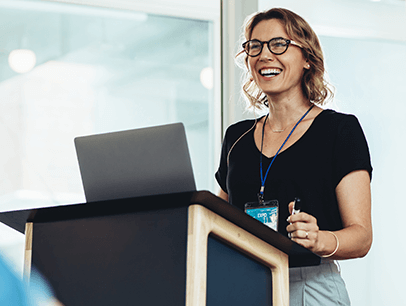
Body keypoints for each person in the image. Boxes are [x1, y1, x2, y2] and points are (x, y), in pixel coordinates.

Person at [215, 7, 372, 306]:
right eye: (254, 46)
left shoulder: (340, 131)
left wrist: (319, 240)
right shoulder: (237, 138)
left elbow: (362, 237)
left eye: (279, 44)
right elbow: (218, 223)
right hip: (243, 285)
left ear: (307, 59)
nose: (264, 55)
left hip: (309, 286)